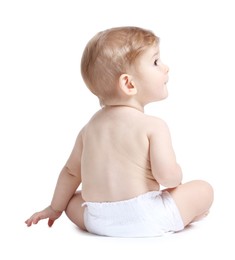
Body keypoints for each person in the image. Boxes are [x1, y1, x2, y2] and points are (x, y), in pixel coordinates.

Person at [25, 26, 214, 237]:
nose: (165, 67)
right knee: (203, 189)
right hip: (147, 217)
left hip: (98, 220)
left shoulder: (88, 129)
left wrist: (55, 208)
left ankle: (79, 212)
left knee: (73, 200)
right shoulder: (154, 125)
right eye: (155, 62)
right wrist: (175, 179)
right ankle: (186, 216)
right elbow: (168, 177)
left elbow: (70, 172)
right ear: (128, 84)